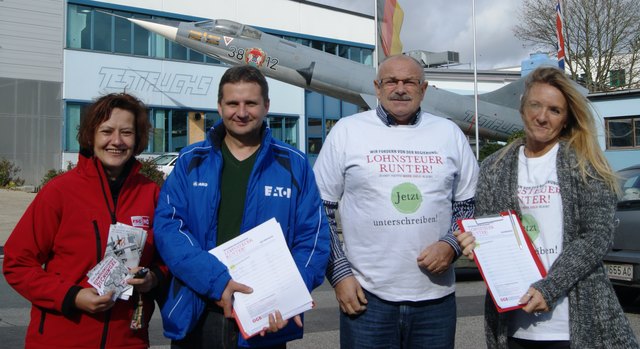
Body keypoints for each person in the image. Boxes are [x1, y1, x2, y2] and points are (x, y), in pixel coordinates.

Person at [455, 66, 639, 348]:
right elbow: (489, 232)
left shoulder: (584, 165)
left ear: (566, 119)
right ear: (522, 108)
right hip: (515, 323)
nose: (542, 117)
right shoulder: (494, 167)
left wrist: (548, 289)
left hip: (572, 323)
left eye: (554, 110)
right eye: (535, 105)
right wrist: (475, 245)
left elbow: (596, 237)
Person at [153, 65, 329, 349]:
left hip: (266, 317)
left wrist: (286, 294)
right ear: (220, 106)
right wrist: (216, 281)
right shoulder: (190, 160)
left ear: (266, 106)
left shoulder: (294, 164)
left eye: (251, 103)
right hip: (199, 310)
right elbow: (169, 228)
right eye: (233, 103)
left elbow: (313, 238)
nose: (242, 112)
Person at [313, 54, 479, 348]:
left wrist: (451, 246)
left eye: (409, 82)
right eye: (391, 81)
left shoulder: (449, 133)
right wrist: (339, 274)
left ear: (424, 89)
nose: (400, 88)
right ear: (377, 87)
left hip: (435, 303)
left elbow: (468, 203)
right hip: (367, 299)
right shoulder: (346, 132)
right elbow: (318, 209)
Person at [3, 92, 167, 348]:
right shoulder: (59, 191)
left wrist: (153, 278)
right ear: (91, 136)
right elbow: (17, 263)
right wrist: (72, 296)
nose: (116, 141)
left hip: (127, 340)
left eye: (126, 132)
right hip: (61, 338)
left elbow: (167, 260)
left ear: (137, 140)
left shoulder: (152, 194)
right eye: (106, 131)